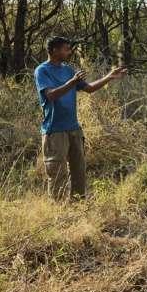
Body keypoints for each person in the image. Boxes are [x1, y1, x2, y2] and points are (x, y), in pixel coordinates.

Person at [34, 36, 126, 200]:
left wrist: (109, 76)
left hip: (74, 128)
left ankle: (78, 206)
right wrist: (72, 82)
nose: (68, 52)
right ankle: (59, 210)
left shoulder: (68, 69)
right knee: (57, 173)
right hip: (54, 131)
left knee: (79, 171)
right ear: (54, 50)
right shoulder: (42, 70)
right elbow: (51, 95)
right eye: (65, 49)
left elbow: (89, 88)